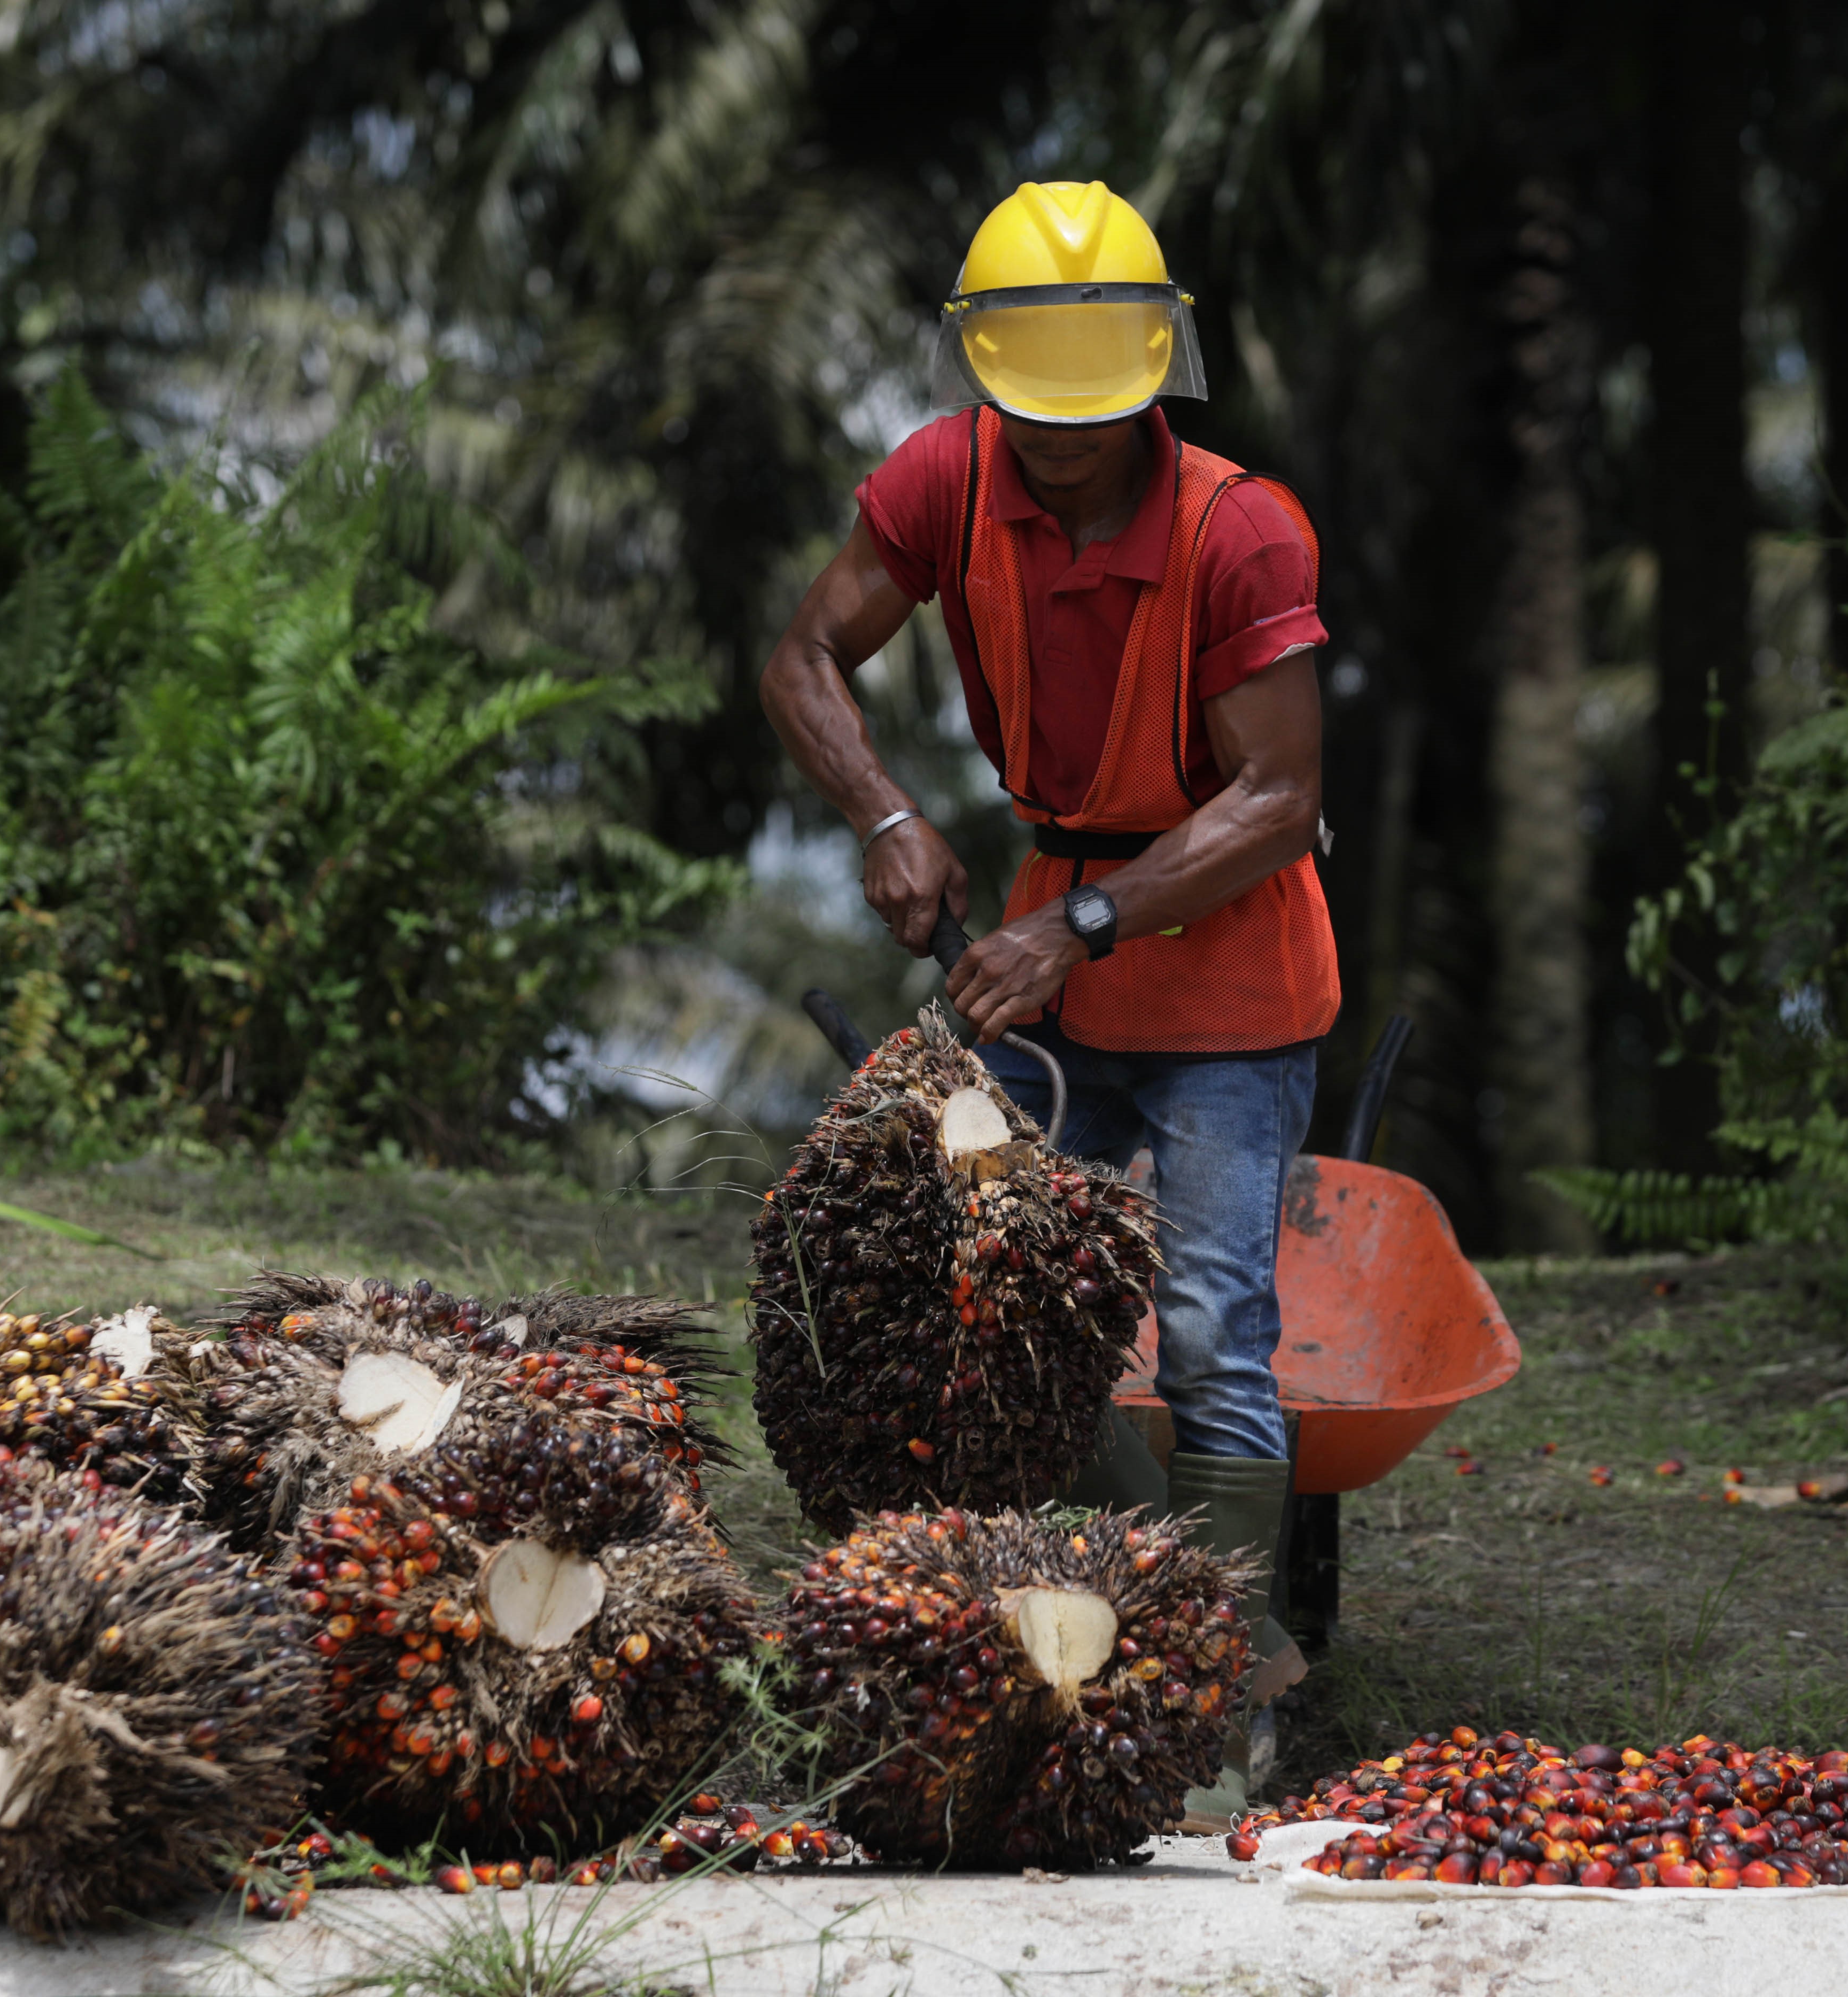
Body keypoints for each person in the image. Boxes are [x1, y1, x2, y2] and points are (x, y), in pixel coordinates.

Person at [757, 179, 1336, 1825]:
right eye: (1032, 413)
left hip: (1220, 961)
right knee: (994, 1297)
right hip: (1043, 934)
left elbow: (1281, 797)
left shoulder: (1245, 527)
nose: (1063, 443)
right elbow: (806, 657)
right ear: (981, 376)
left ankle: (1211, 1697)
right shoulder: (943, 484)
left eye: (1098, 414)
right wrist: (885, 811)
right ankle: (1102, 1609)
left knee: (1218, 1333)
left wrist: (1080, 924)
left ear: (1164, 367)